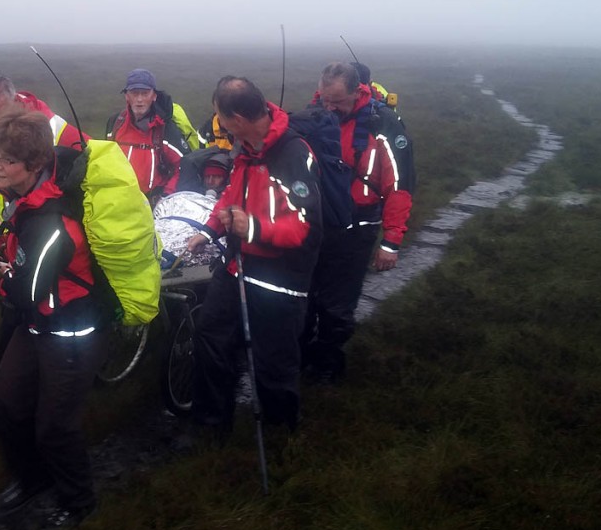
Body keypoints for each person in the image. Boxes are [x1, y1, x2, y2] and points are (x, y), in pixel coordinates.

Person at [0, 111, 110, 530]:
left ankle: (80, 504)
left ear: (34, 166)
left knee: (55, 426)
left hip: (70, 334)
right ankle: (32, 480)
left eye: (6, 160)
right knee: (3, 403)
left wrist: (7, 278)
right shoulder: (23, 201)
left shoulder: (51, 221)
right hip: (38, 324)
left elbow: (27, 291)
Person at [185, 77, 322, 433]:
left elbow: (306, 226)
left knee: (272, 362)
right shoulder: (244, 149)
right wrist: (209, 230)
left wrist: (254, 229)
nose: (219, 125)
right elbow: (232, 196)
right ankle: (211, 424)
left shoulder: (294, 154)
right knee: (210, 337)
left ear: (238, 119)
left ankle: (281, 437)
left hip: (281, 280)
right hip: (237, 268)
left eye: (220, 118)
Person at [301, 62, 415, 384]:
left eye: (337, 101)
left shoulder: (383, 126)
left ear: (358, 91)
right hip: (315, 223)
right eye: (325, 100)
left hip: (358, 226)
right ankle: (300, 354)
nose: (330, 108)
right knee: (304, 295)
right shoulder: (313, 116)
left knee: (337, 303)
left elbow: (400, 186)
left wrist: (391, 242)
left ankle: (327, 366)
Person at [0, 74, 88, 234]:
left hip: (40, 221)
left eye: (1, 113)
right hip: (0, 226)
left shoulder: (50, 125)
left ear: (15, 100)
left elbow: (92, 156)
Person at [105, 68, 191, 201]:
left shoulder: (165, 129)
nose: (139, 99)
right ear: (126, 96)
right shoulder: (115, 124)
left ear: (154, 96)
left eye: (145, 93)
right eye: (134, 93)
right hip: (119, 201)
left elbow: (184, 166)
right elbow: (105, 160)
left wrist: (166, 196)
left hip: (154, 203)